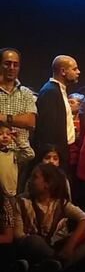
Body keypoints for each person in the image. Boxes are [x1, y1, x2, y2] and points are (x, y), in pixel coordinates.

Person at [14, 164, 85, 272]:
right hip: (33, 247)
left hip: (54, 246)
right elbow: (18, 236)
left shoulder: (60, 203)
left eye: (34, 177)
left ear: (47, 184)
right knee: (33, 241)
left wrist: (70, 245)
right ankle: (60, 263)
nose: (29, 180)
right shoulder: (21, 201)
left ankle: (50, 265)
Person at [33, 55, 81, 171]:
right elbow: (47, 129)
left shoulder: (59, 90)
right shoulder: (50, 92)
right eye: (74, 69)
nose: (78, 72)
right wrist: (53, 156)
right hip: (55, 155)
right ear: (63, 71)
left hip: (62, 151)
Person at [0, 48, 37, 193]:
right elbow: (24, 120)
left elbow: (30, 122)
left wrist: (3, 117)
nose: (12, 68)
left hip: (20, 157)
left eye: (15, 64)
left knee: (14, 202)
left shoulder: (26, 93)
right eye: (7, 63)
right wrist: (17, 119)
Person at [0, 121, 34, 201]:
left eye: (8, 134)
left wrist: (18, 139)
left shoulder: (13, 154)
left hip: (10, 195)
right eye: (0, 134)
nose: (5, 136)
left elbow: (30, 154)